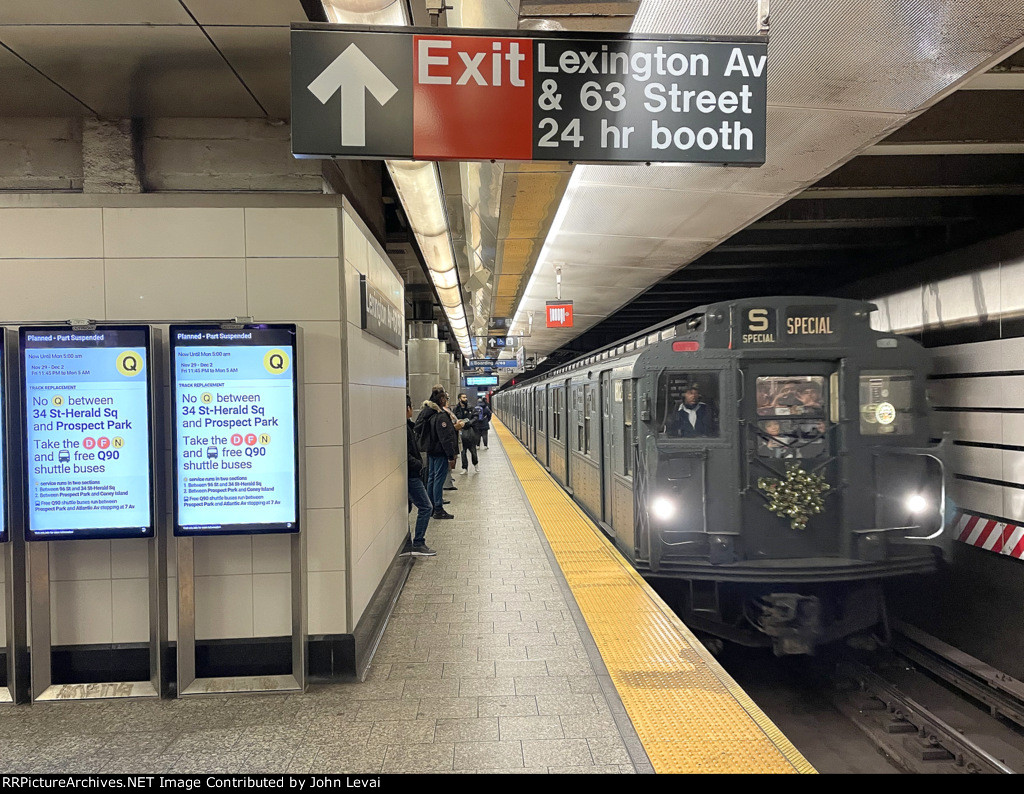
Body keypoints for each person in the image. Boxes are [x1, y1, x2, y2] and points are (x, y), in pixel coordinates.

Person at [414, 387, 457, 520]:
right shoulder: (441, 416)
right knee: (438, 479)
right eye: (446, 399)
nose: (447, 401)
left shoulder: (430, 413)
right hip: (439, 452)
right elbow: (445, 438)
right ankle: (438, 507)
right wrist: (451, 455)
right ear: (442, 400)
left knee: (432, 478)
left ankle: (432, 505)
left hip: (431, 451)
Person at [403, 395, 436, 557]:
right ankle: (418, 542)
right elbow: (404, 453)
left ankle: (407, 541)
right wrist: (418, 464)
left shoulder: (408, 426)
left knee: (407, 508)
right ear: (407, 408)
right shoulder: (404, 429)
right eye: (411, 406)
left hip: (410, 473)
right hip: (411, 474)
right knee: (426, 507)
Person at [454, 393, 479, 473]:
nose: (466, 399)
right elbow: (454, 419)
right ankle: (465, 468)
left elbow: (475, 417)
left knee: (473, 451)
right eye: (464, 397)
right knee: (463, 452)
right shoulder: (456, 409)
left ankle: (475, 465)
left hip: (470, 431)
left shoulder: (470, 408)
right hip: (461, 432)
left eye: (466, 397)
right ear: (459, 399)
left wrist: (470, 422)